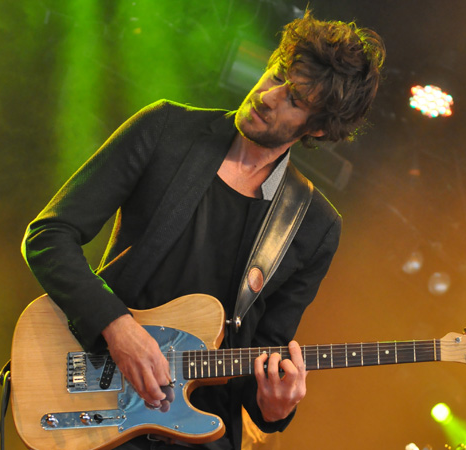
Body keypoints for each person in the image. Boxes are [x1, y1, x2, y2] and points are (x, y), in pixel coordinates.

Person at [21, 10, 385, 450]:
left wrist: (275, 407)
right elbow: (49, 235)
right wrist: (117, 328)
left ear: (319, 128)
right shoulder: (165, 129)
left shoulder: (314, 225)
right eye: (276, 75)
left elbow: (263, 357)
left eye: (294, 99)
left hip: (202, 435)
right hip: (99, 407)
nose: (268, 95)